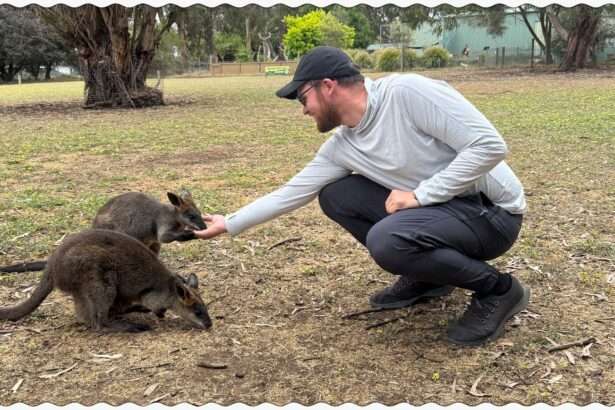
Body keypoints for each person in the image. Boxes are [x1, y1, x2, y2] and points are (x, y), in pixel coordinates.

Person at [194, 46, 529, 346]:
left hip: (493, 214)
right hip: (444, 214)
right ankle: (429, 279)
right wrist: (230, 223)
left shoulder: (406, 94)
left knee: (388, 240)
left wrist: (421, 195)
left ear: (327, 86)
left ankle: (498, 290)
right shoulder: (343, 146)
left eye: (302, 97)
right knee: (336, 194)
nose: (303, 110)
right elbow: (291, 193)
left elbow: (489, 146)